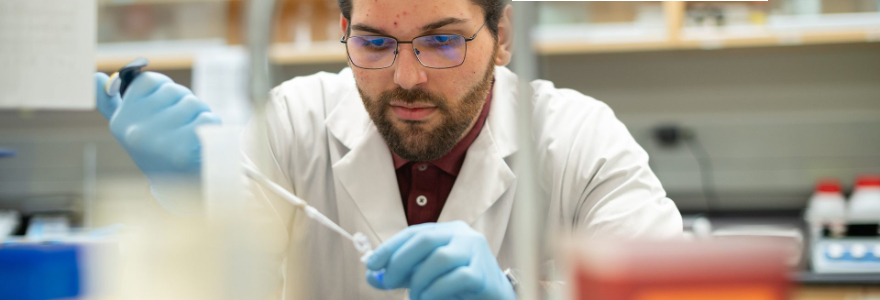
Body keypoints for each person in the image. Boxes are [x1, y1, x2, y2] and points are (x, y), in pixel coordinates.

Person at [93, 0, 682, 299]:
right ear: (344, 33)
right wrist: (190, 195)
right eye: (374, 42)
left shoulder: (579, 140)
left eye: (442, 41)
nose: (406, 78)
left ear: (501, 38)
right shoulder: (292, 124)